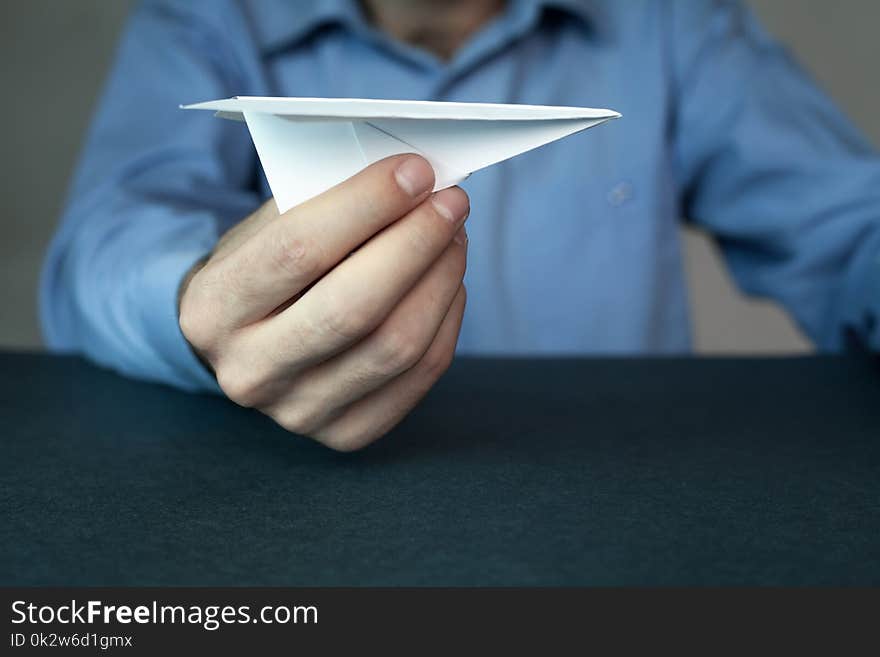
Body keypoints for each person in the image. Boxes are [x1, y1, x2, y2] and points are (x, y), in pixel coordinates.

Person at [41, 0, 880, 451]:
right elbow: (105, 242)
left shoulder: (670, 23)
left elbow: (852, 227)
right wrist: (200, 304)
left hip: (613, 522)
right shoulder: (207, 19)